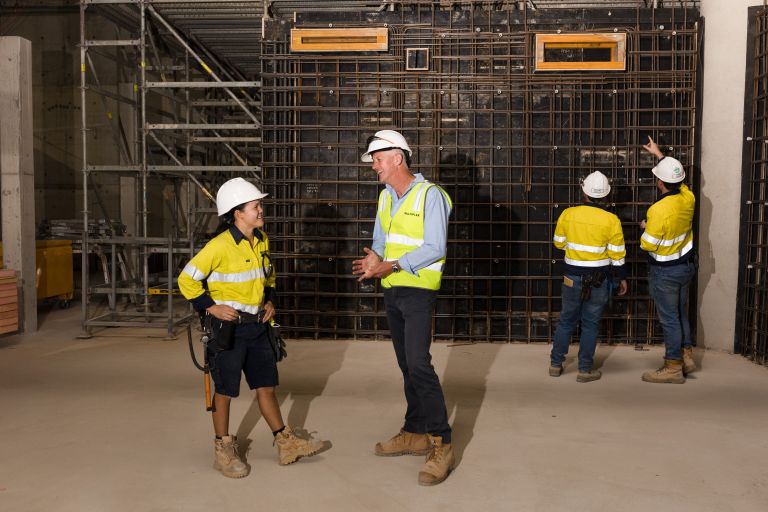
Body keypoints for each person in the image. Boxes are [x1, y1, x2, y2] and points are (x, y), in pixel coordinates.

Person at [178, 177, 323, 478]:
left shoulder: (262, 239)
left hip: (259, 326)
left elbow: (266, 277)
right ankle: (223, 448)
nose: (261, 210)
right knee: (226, 390)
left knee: (265, 386)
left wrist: (270, 301)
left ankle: (285, 443)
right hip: (229, 331)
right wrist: (211, 306)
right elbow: (186, 279)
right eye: (256, 206)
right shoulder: (218, 247)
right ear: (237, 212)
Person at [352, 130, 454, 486]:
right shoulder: (385, 197)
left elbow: (435, 247)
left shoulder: (431, 195)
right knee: (405, 364)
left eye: (377, 160)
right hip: (392, 290)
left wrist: (391, 266)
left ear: (397, 157)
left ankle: (441, 441)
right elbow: (381, 240)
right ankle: (414, 431)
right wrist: (373, 260)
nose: (374, 167)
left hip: (417, 289)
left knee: (418, 363)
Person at [549, 171, 629, 382]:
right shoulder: (611, 220)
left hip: (571, 277)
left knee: (566, 321)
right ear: (606, 195)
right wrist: (621, 278)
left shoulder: (568, 214)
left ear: (583, 191)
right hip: (599, 280)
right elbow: (617, 255)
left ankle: (555, 365)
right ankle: (585, 370)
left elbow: (558, 242)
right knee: (591, 323)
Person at [639, 137, 697, 383]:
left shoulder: (658, 211)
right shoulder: (688, 198)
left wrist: (644, 227)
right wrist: (659, 155)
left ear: (659, 182)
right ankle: (686, 357)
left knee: (669, 319)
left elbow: (648, 244)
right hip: (686, 267)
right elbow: (677, 181)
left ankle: (673, 367)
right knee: (680, 314)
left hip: (665, 272)